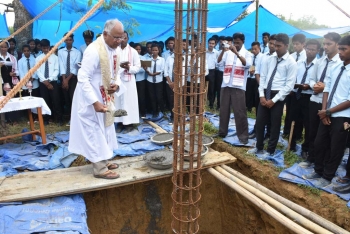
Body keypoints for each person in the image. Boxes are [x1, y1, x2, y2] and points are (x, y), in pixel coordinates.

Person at [68, 19, 124, 179]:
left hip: (106, 95)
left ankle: (105, 160)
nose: (119, 42)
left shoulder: (115, 49)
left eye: (121, 38)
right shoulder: (93, 50)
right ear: (105, 34)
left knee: (106, 128)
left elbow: (117, 72)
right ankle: (99, 169)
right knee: (93, 129)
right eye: (116, 38)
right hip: (90, 96)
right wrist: (94, 102)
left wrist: (117, 85)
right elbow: (83, 78)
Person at [302, 35, 350, 188]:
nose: (340, 52)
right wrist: (323, 110)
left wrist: (329, 111)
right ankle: (318, 170)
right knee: (319, 142)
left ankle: (328, 176)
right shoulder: (336, 67)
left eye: (344, 49)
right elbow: (327, 89)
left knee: (336, 147)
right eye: (340, 49)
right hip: (327, 111)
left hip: (342, 115)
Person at [299, 32, 341, 168]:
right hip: (315, 100)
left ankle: (322, 161)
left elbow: (338, 85)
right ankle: (311, 158)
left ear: (337, 45)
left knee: (325, 135)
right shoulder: (320, 61)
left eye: (329, 44)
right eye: (324, 43)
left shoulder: (340, 63)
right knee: (312, 131)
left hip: (330, 104)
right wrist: (314, 85)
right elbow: (311, 79)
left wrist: (325, 88)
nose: (326, 46)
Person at [252, 33, 297, 156]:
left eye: (279, 46)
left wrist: (274, 100)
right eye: (275, 45)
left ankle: (270, 151)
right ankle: (258, 147)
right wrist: (261, 95)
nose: (276, 48)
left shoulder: (291, 63)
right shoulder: (269, 59)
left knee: (274, 125)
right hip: (266, 92)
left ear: (287, 46)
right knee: (260, 123)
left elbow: (289, 86)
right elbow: (264, 77)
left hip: (278, 95)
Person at [217, 33, 252, 143]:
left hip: (239, 86)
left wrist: (236, 53)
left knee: (240, 111)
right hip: (226, 84)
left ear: (243, 42)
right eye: (234, 42)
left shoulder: (247, 53)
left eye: (238, 43)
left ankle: (243, 136)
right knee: (223, 110)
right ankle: (222, 132)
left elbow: (248, 65)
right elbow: (218, 63)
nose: (236, 45)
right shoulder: (227, 53)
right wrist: (223, 50)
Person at [289, 39, 320, 156]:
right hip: (297, 95)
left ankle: (305, 148)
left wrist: (310, 87)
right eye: (308, 49)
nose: (310, 52)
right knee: (294, 120)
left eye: (313, 50)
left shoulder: (318, 65)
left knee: (308, 124)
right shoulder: (299, 63)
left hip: (309, 97)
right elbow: (293, 77)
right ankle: (291, 145)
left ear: (317, 51)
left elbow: (319, 83)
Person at [114, 31, 140, 133]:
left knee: (129, 102)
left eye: (124, 38)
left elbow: (137, 67)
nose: (122, 40)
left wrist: (128, 67)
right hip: (118, 80)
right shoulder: (115, 50)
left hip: (129, 81)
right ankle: (120, 123)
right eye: (120, 38)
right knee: (118, 102)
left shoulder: (133, 51)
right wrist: (119, 67)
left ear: (127, 39)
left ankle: (129, 124)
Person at [36, 39, 63, 125]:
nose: (45, 49)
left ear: (49, 47)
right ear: (41, 48)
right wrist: (45, 82)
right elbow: (38, 71)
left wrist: (50, 80)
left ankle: (59, 119)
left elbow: (56, 70)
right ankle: (46, 119)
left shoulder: (55, 57)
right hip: (43, 83)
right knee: (45, 101)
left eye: (47, 47)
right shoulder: (38, 58)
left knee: (56, 100)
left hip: (53, 82)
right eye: (44, 48)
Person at [58, 32, 82, 126]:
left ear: (73, 40)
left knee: (73, 98)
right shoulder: (60, 52)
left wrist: (67, 80)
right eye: (66, 39)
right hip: (63, 77)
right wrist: (64, 79)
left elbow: (75, 67)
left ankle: (74, 118)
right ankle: (67, 117)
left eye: (70, 39)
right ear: (64, 40)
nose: (68, 41)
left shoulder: (77, 52)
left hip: (72, 78)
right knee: (65, 98)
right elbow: (62, 65)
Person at [0, 40, 20, 124]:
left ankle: (13, 119)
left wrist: (14, 73)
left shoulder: (12, 57)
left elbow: (18, 70)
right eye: (1, 47)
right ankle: (2, 119)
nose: (3, 48)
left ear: (8, 47)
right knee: (2, 99)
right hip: (1, 82)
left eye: (5, 47)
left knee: (11, 99)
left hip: (10, 80)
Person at [144, 43, 165, 118]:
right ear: (151, 51)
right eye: (153, 50)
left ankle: (162, 110)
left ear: (158, 50)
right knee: (152, 97)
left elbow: (162, 69)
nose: (154, 51)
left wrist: (154, 74)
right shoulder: (148, 60)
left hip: (158, 81)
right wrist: (146, 70)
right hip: (150, 80)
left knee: (159, 96)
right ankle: (154, 111)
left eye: (156, 50)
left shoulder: (162, 60)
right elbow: (147, 70)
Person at [246, 41, 262, 112]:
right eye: (252, 49)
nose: (253, 51)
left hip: (257, 78)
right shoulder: (250, 56)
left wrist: (255, 72)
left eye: (255, 49)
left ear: (259, 48)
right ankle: (248, 108)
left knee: (256, 95)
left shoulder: (262, 57)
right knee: (249, 94)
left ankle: (257, 109)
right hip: (250, 77)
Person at [134, 43, 147, 118]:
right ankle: (135, 113)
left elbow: (144, 70)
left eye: (139, 49)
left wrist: (134, 69)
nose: (138, 50)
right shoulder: (130, 57)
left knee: (141, 96)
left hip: (141, 79)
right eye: (136, 49)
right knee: (133, 97)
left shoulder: (143, 58)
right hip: (132, 80)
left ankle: (143, 112)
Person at [206, 37, 219, 109]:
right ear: (208, 43)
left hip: (212, 71)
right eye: (210, 43)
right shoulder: (204, 51)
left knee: (211, 88)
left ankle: (211, 104)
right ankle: (202, 102)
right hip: (204, 71)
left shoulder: (216, 53)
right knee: (201, 87)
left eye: (212, 43)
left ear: (215, 44)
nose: (211, 45)